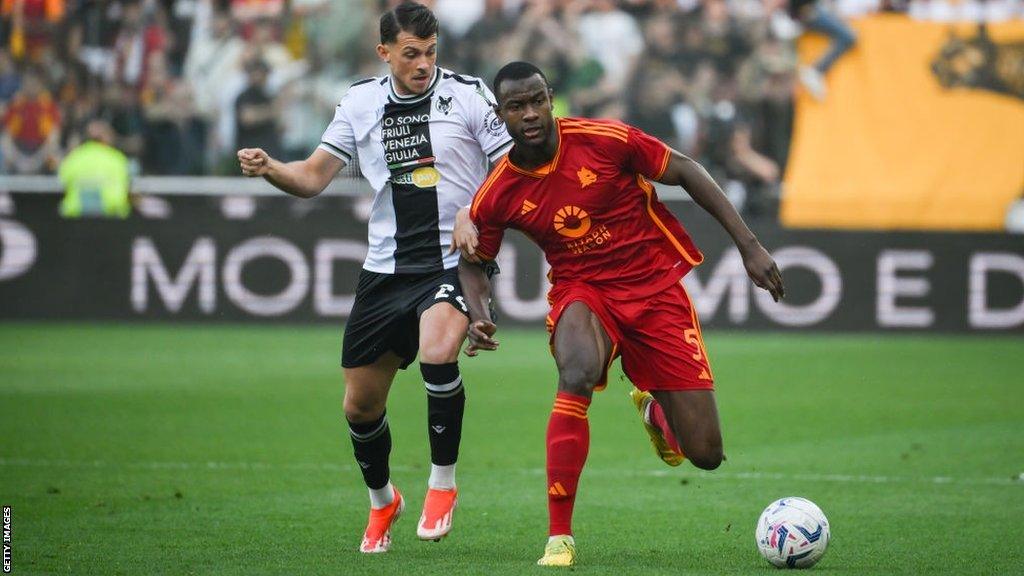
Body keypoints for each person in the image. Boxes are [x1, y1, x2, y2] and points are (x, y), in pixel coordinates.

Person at [453, 61, 785, 567]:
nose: (531, 114)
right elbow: (474, 261)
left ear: (551, 99)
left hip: (655, 290)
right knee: (577, 372)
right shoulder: (499, 190)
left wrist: (750, 246)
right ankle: (559, 537)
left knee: (706, 455)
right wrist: (477, 313)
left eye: (538, 100)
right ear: (501, 116)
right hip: (583, 290)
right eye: (516, 106)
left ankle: (656, 411)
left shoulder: (604, 139)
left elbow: (687, 171)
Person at [236, 1, 512, 553]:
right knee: (360, 407)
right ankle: (384, 498)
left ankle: (443, 484)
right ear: (384, 52)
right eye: (411, 54)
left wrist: (472, 211)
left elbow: (511, 165)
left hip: (451, 261)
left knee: (438, 351)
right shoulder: (359, 101)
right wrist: (271, 169)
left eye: (431, 52)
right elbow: (313, 177)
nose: (424, 64)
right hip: (384, 270)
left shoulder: (469, 93)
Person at [58, 118, 131, 218]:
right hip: (112, 216)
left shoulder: (74, 158)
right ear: (105, 137)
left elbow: (62, 180)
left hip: (77, 216)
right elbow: (127, 182)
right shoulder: (116, 158)